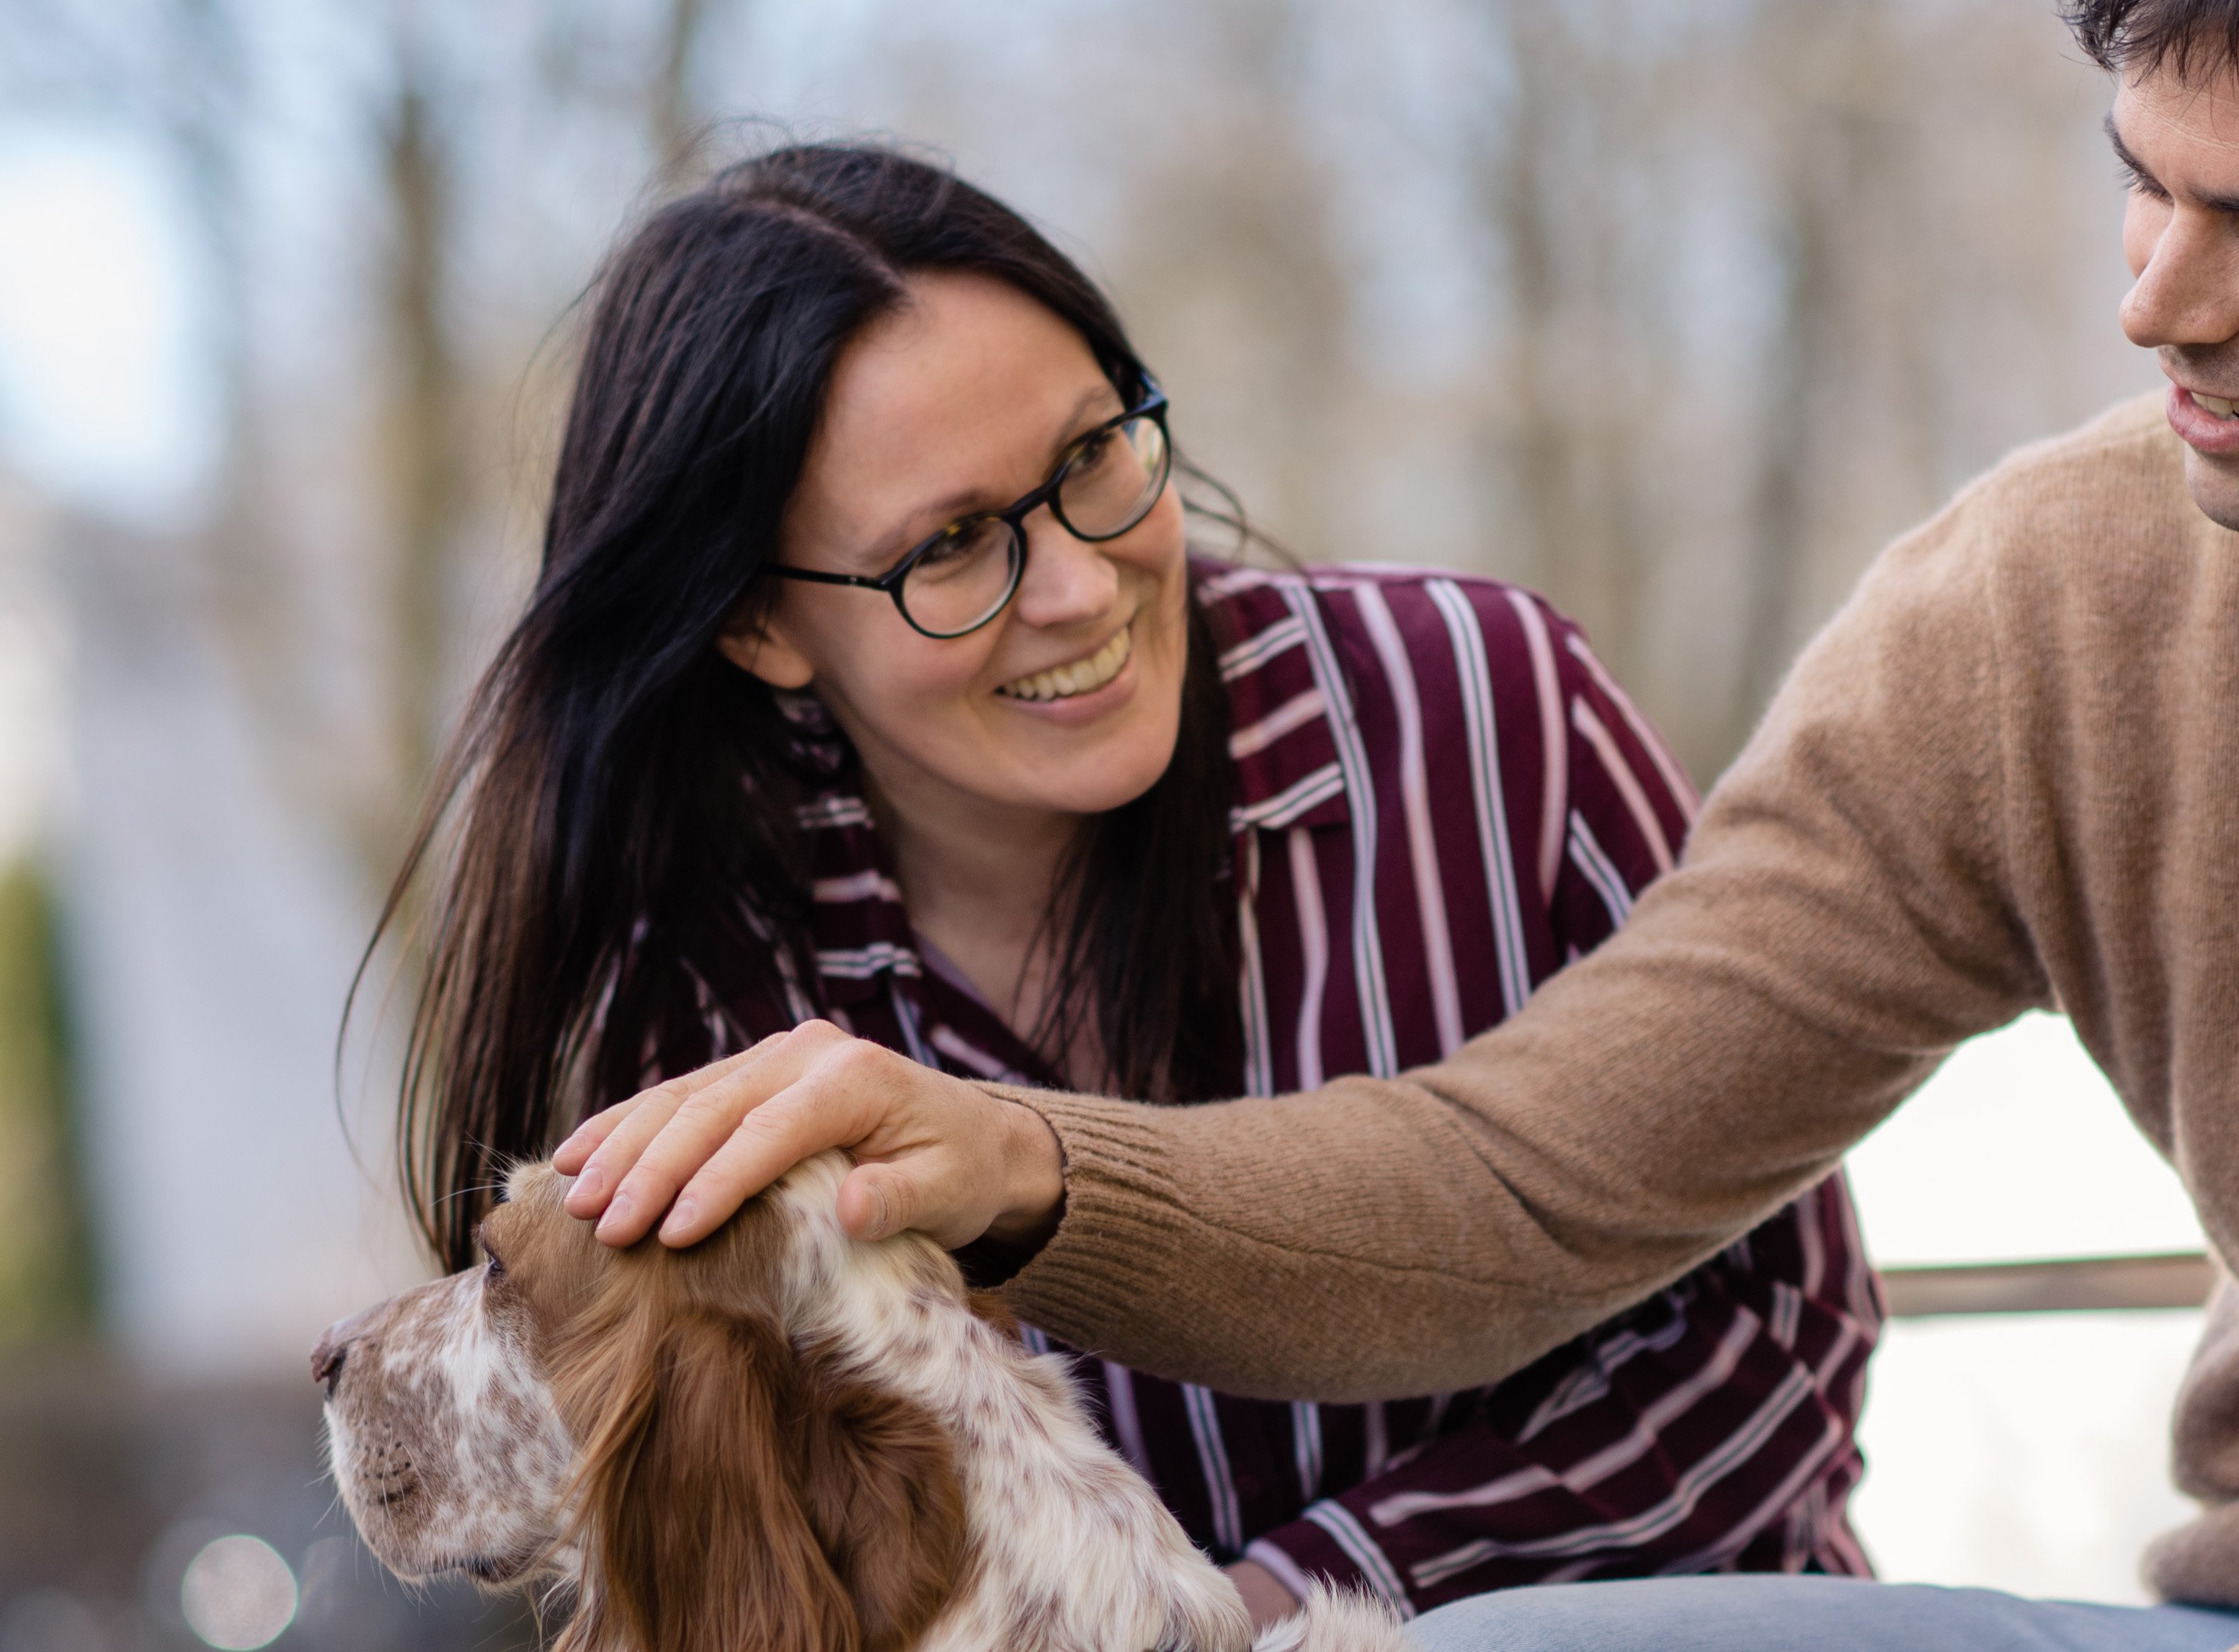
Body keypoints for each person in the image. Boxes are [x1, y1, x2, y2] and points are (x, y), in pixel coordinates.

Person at [553, 3, 2239, 1649]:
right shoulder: (2055, 599)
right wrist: (1030, 1170)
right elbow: (1534, 1177)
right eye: (2138, 177)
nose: (2151, 297)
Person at [382, 144, 1881, 1628]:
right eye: (953, 545)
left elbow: (1783, 1328)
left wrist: (1287, 1604)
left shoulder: (1488, 714)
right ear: (762, 629)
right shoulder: (706, 1002)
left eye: (1094, 455)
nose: (1082, 587)